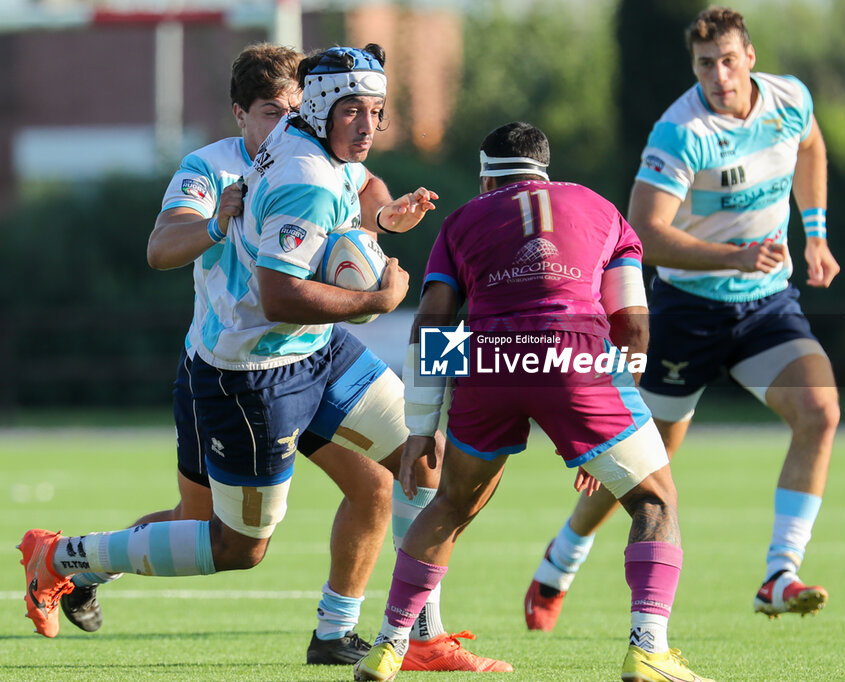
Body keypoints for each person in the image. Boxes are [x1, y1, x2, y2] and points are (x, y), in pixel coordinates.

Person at [21, 44, 507, 673]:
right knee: (231, 544)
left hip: (314, 352)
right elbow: (241, 280)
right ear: (241, 113)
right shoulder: (236, 169)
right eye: (275, 110)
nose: (364, 125)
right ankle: (64, 558)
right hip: (246, 375)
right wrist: (374, 296)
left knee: (417, 461)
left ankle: (401, 634)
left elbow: (363, 184)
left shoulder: (319, 148)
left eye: (374, 112)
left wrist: (380, 216)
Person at [353, 122, 715, 682]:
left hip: (489, 354)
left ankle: (388, 646)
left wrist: (422, 428)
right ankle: (649, 649)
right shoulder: (599, 208)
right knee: (655, 502)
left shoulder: (460, 221)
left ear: (484, 176)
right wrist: (617, 426)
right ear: (543, 171)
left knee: (449, 505)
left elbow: (432, 323)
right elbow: (633, 326)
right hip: (577, 356)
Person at [524, 5, 841, 630]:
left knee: (821, 411)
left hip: (766, 305)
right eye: (705, 64)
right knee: (640, 468)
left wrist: (817, 235)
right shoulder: (681, 131)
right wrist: (738, 254)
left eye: (728, 60)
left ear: (749, 55)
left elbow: (810, 145)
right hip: (688, 312)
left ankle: (779, 574)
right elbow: (645, 233)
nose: (719, 75)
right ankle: (561, 560)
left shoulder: (789, 99)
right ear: (693, 67)